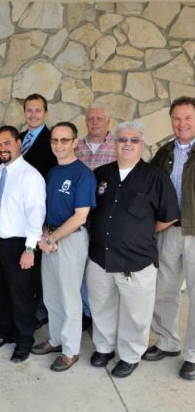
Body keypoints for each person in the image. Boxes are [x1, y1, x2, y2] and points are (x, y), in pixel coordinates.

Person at [87, 121, 179, 378]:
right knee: (101, 305)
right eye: (122, 139)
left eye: (134, 140)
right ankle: (104, 348)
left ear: (142, 145)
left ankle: (129, 355)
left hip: (136, 260)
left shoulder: (155, 176)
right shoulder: (101, 174)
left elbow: (169, 216)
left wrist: (140, 233)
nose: (127, 144)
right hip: (100, 257)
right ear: (115, 143)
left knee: (135, 313)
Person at [32, 122, 96, 372]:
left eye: (64, 140)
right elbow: (46, 208)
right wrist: (46, 233)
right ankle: (56, 339)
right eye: (55, 140)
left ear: (75, 142)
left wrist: (52, 238)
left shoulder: (83, 174)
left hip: (71, 240)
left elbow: (81, 216)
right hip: (52, 239)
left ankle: (70, 350)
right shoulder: (52, 172)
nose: (59, 145)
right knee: (52, 295)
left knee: (70, 297)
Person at [0, 126, 46, 364]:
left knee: (21, 296)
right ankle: (4, 332)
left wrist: (30, 249)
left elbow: (36, 215)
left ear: (18, 143)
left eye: (7, 143)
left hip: (20, 245)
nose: (2, 148)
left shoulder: (31, 176)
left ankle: (24, 341)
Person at [144, 96, 195, 380]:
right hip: (168, 231)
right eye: (177, 118)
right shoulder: (163, 153)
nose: (182, 123)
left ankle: (193, 355)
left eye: (187, 117)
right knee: (165, 289)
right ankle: (167, 341)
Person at [75, 103, 117, 331]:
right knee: (81, 269)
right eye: (91, 118)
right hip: (79, 220)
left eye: (99, 118)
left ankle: (100, 317)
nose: (94, 122)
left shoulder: (118, 146)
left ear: (108, 121)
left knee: (101, 271)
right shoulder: (77, 146)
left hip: (106, 219)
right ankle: (86, 313)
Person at [20, 93, 57, 329]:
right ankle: (25, 308)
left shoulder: (53, 140)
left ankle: (39, 312)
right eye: (29, 110)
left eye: (37, 110)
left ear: (45, 113)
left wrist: (46, 221)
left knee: (39, 267)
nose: (33, 114)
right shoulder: (19, 138)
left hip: (40, 211)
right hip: (18, 213)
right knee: (24, 264)